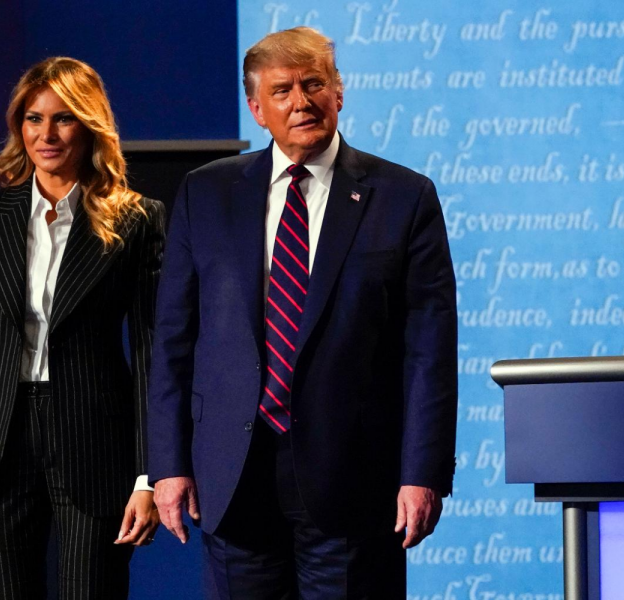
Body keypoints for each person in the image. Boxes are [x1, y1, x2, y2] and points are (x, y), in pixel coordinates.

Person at [148, 27, 457, 598]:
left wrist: (423, 472)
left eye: (314, 83)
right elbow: (173, 340)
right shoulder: (205, 193)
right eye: (283, 89)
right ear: (257, 108)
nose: (301, 101)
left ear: (339, 93)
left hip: (356, 482)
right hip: (234, 476)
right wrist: (166, 464)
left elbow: (429, 353)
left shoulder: (404, 196)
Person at [0, 57, 164, 599]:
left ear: (90, 125)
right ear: (18, 128)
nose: (46, 134)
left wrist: (149, 476)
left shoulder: (137, 219)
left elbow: (152, 355)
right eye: (33, 119)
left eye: (63, 119)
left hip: (95, 440)